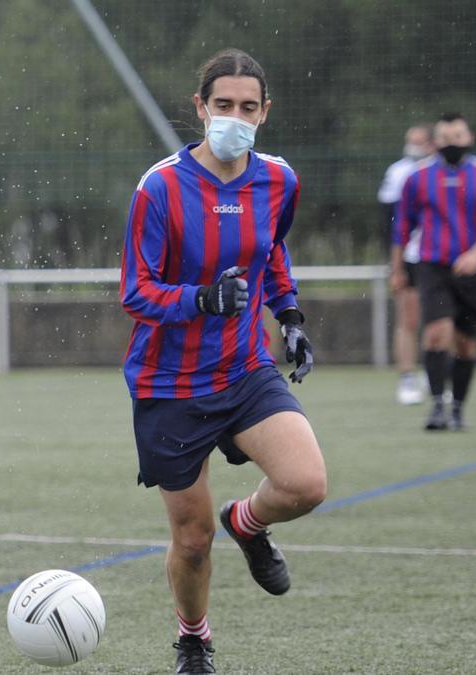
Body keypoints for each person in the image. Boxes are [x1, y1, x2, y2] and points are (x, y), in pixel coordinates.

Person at [120, 48, 327, 674]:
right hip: (169, 384)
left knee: (305, 485)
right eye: (222, 106)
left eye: (247, 107)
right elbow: (135, 291)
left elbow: (273, 253)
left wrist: (287, 315)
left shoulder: (279, 180)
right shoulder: (159, 187)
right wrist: (201, 299)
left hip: (244, 370)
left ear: (265, 112)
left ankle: (250, 522)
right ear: (200, 108)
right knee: (191, 538)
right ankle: (193, 638)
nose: (233, 117)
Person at [392, 112, 476, 431]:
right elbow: (402, 227)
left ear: (469, 138)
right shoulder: (417, 177)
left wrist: (475, 255)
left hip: (472, 269)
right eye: (444, 138)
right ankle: (438, 406)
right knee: (435, 333)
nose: (450, 144)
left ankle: (458, 407)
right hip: (433, 266)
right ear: (435, 142)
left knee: (466, 343)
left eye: (457, 137)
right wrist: (398, 268)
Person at [379, 125, 434, 405]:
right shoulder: (398, 173)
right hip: (411, 256)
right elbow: (392, 220)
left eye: (419, 141)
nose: (413, 147)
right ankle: (408, 377)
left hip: (439, 257)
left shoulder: (442, 173)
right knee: (408, 317)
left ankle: (434, 373)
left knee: (440, 319)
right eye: (409, 141)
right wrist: (394, 262)